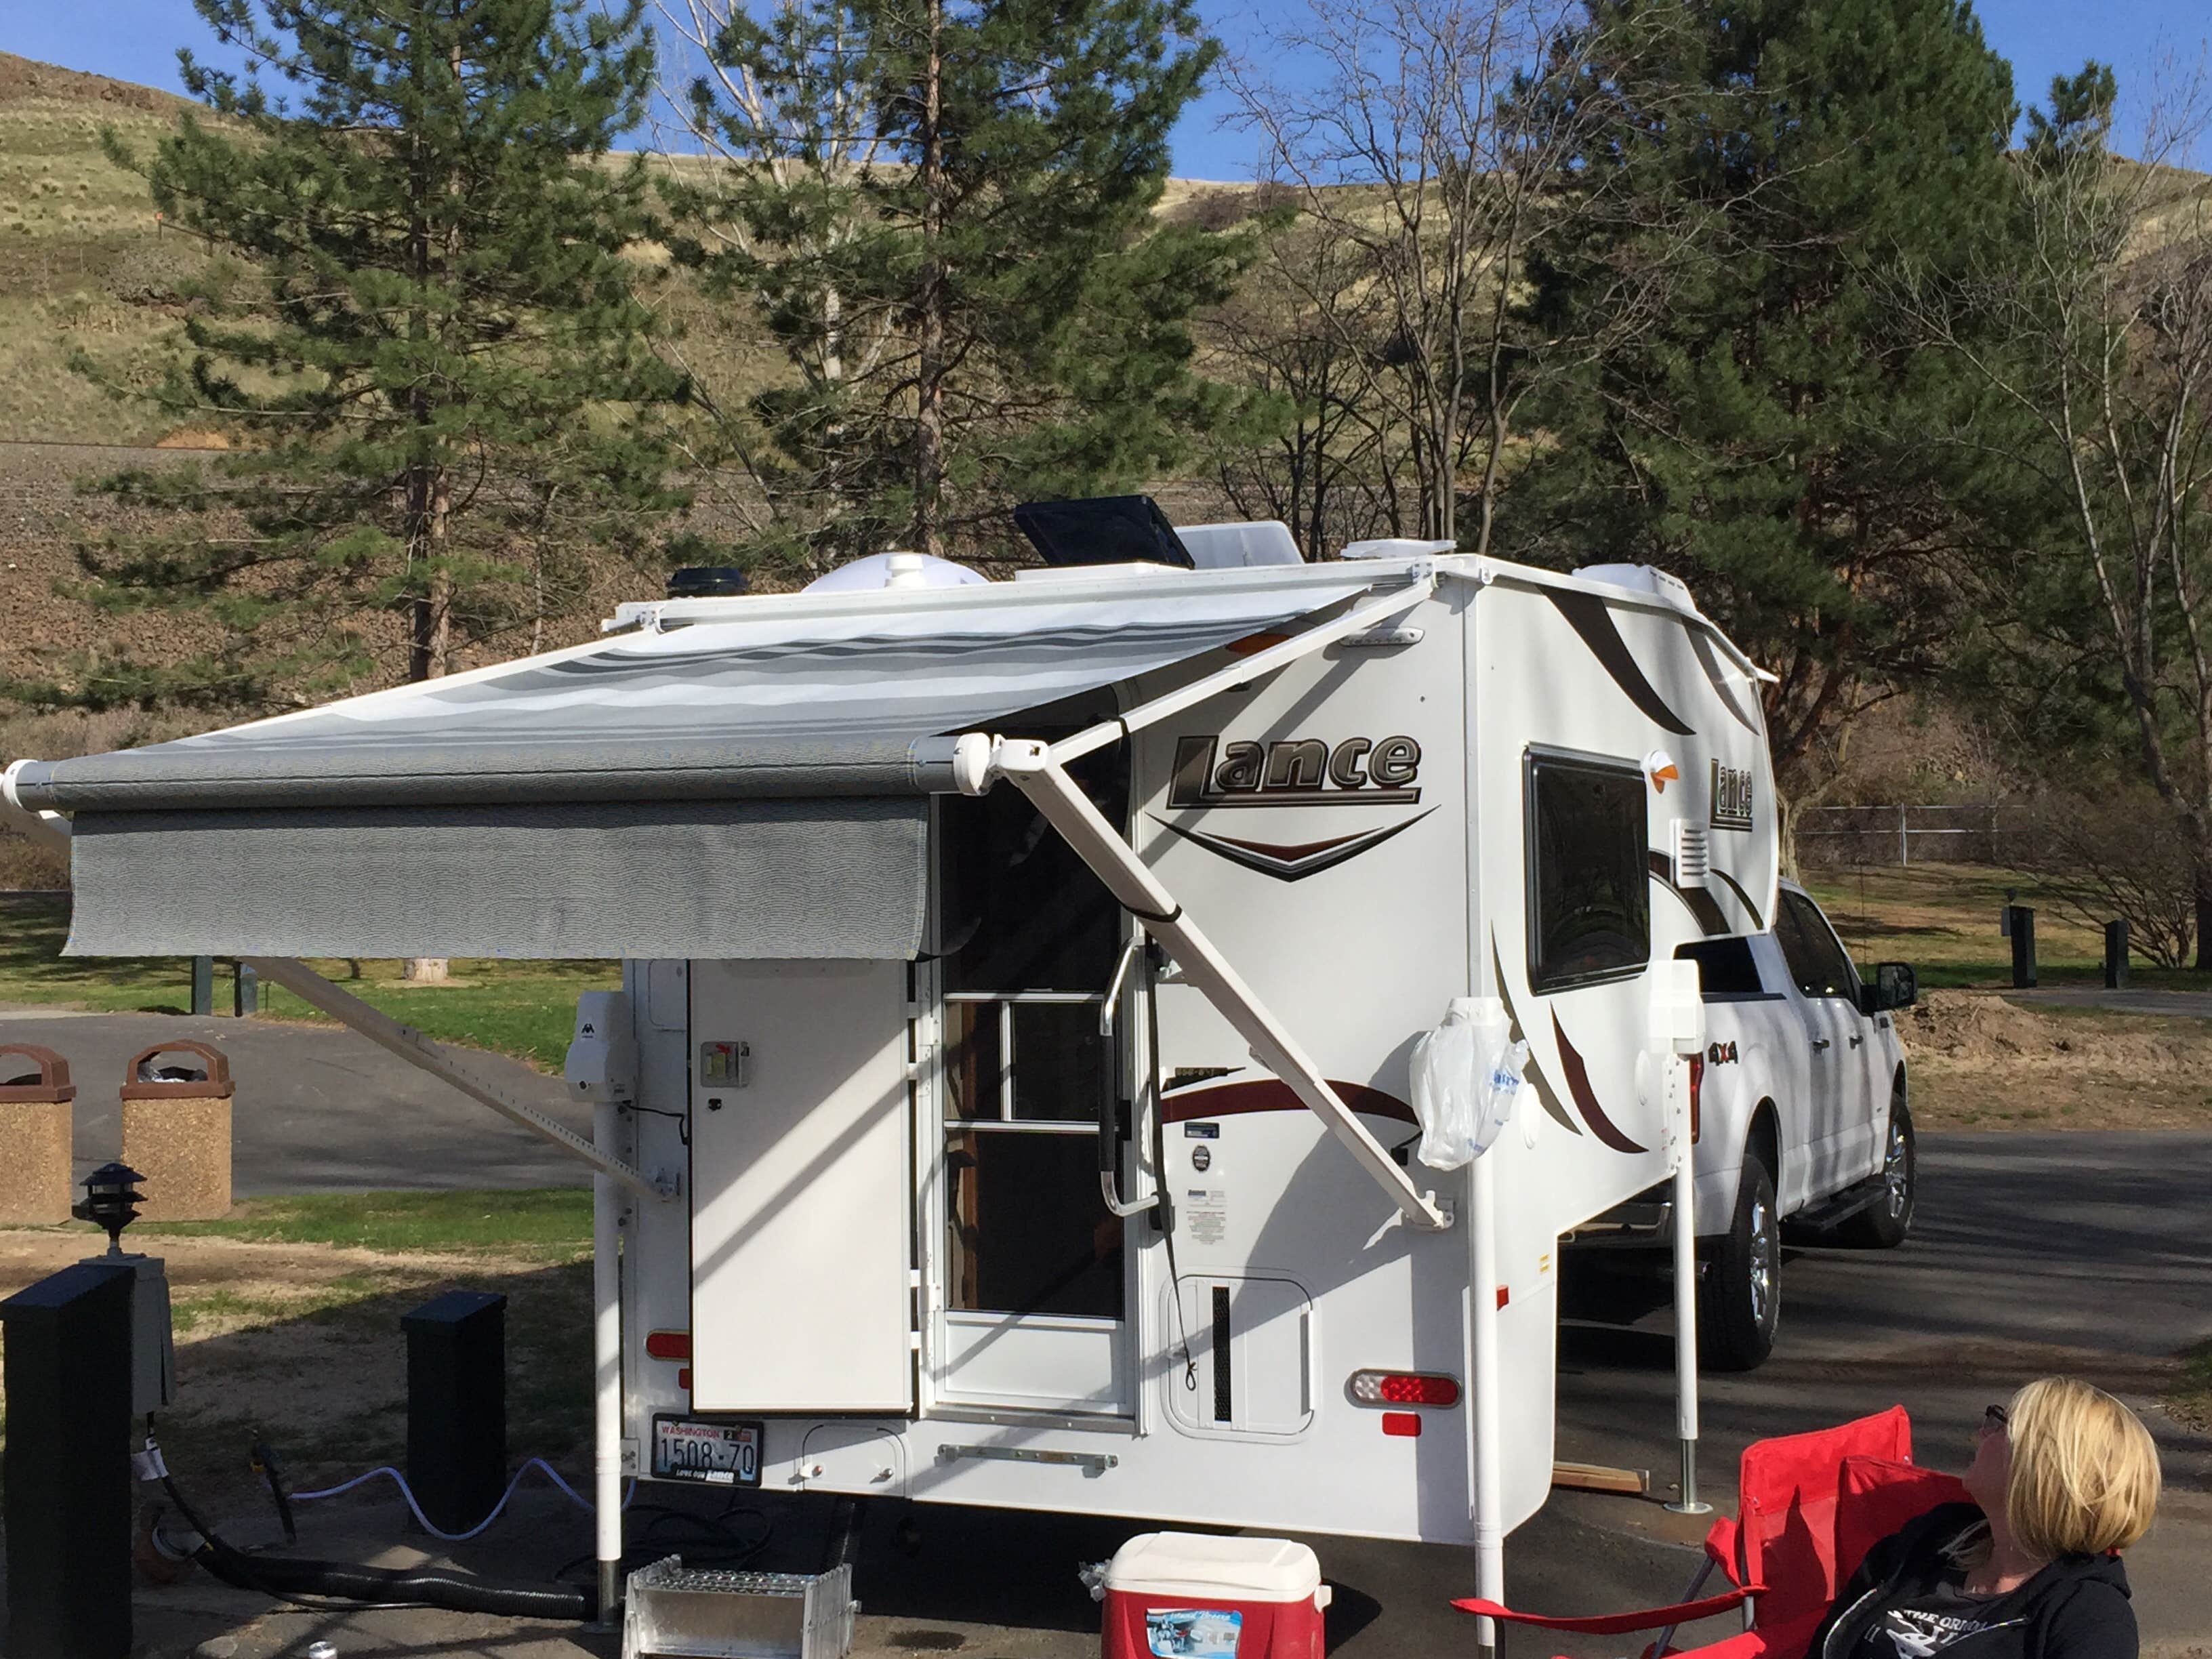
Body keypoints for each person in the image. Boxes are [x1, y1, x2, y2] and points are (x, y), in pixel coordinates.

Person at [1805, 1377, 2162, 1659]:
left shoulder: (2088, 1617)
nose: (1982, 1433)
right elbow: (1828, 1644)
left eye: (2000, 1424)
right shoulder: (1925, 1544)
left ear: (2040, 1467)